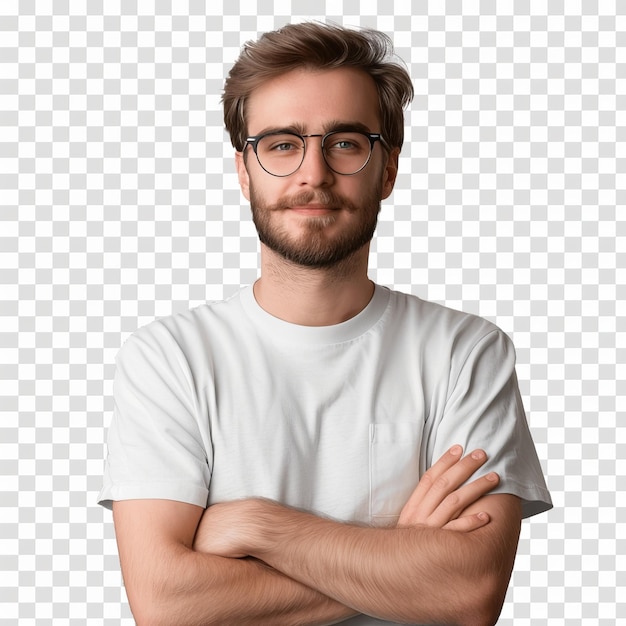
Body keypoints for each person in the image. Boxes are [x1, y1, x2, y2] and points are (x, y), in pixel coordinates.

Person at [99, 22, 552, 625]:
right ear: (245, 172)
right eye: (283, 144)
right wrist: (401, 557)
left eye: (345, 143)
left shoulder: (465, 352)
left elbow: (469, 593)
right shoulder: (168, 357)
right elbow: (166, 604)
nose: (313, 174)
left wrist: (254, 525)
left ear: (386, 169)